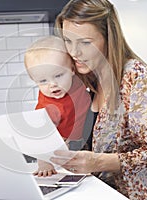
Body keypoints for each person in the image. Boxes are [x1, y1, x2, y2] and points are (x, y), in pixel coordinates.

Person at [46, 0, 147, 199]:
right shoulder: (90, 82)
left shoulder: (136, 77)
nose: (74, 52)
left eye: (85, 43)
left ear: (108, 39)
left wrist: (98, 162)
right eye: (68, 41)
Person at [24, 36, 91, 176]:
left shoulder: (79, 82)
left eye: (58, 75)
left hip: (83, 141)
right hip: (60, 143)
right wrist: (44, 162)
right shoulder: (47, 107)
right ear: (34, 81)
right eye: (43, 81)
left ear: (73, 70)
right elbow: (40, 136)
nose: (52, 84)